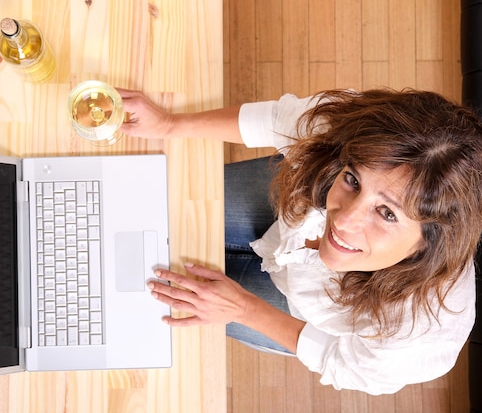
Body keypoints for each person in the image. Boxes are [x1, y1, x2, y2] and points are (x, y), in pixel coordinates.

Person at [117, 87, 482, 395]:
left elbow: (339, 362)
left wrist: (244, 309)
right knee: (142, 212)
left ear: (427, 244)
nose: (343, 220)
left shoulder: (420, 334)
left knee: (147, 294)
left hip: (294, 310)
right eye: (353, 180)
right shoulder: (354, 133)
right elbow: (277, 120)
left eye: (387, 213)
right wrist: (169, 124)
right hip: (286, 206)